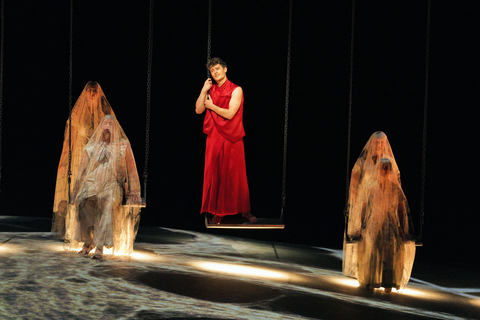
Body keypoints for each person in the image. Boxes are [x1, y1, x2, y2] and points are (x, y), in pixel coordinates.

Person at [70, 114, 142, 259]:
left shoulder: (123, 145)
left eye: (111, 123)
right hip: (92, 183)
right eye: (105, 123)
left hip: (112, 184)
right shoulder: (91, 147)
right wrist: (76, 191)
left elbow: (132, 170)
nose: (108, 126)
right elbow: (82, 172)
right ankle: (87, 241)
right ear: (101, 127)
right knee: (83, 201)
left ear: (116, 128)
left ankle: (100, 245)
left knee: (107, 202)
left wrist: (134, 191)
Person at [195, 57, 256, 224]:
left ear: (225, 69)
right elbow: (199, 110)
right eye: (212, 71)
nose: (215, 72)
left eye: (218, 69)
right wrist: (203, 90)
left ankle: (245, 210)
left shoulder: (236, 90)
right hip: (214, 136)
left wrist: (212, 106)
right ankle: (218, 211)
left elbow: (230, 114)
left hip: (232, 137)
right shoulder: (210, 89)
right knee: (216, 173)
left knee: (236, 175)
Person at [52, 81, 115, 240]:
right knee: (78, 195)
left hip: (97, 162)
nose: (92, 93)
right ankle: (76, 234)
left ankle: (94, 236)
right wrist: (63, 163)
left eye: (95, 91)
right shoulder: (77, 115)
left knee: (95, 197)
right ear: (86, 93)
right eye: (90, 91)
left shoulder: (104, 115)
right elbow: (69, 141)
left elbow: (112, 138)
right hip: (79, 159)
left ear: (99, 93)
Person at [343, 131, 401, 277]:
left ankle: (378, 271)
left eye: (381, 143)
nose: (379, 145)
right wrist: (354, 203)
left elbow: (395, 182)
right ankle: (359, 269)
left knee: (379, 238)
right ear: (371, 143)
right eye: (376, 142)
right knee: (363, 235)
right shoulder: (362, 162)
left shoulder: (389, 161)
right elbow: (354, 184)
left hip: (381, 203)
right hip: (364, 202)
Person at [356, 158, 415, 292]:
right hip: (374, 222)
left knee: (389, 253)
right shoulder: (370, 188)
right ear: (377, 170)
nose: (384, 170)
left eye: (387, 168)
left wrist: (401, 227)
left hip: (389, 223)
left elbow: (400, 209)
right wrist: (362, 226)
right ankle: (371, 280)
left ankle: (388, 282)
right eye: (382, 167)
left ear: (390, 171)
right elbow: (364, 208)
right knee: (373, 251)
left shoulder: (395, 189)